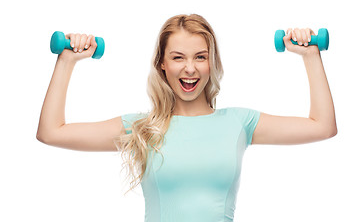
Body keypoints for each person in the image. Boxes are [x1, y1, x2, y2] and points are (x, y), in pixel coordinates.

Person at [36, 14, 337, 222]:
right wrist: (67, 60)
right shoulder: (141, 128)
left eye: (200, 57)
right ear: (162, 64)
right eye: (178, 57)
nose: (190, 69)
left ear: (211, 63)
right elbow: (51, 132)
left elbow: (322, 126)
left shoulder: (240, 123)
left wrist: (311, 56)